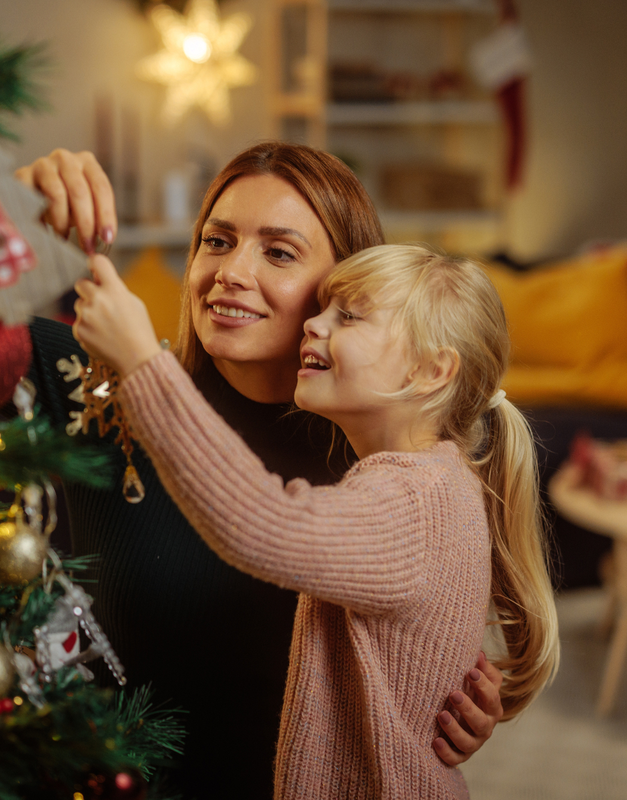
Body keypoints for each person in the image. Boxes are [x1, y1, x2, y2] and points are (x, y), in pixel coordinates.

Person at [16, 144, 503, 797]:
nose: (230, 273)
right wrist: (7, 206)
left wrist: (428, 698)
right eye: (216, 241)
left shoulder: (384, 468)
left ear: (346, 283)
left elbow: (278, 530)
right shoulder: (100, 383)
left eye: (278, 252)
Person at [71, 243, 560, 798]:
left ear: (431, 370)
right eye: (323, 308)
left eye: (348, 315)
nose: (313, 324)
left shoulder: (413, 499)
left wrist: (140, 362)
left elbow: (264, 522)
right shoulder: (437, 480)